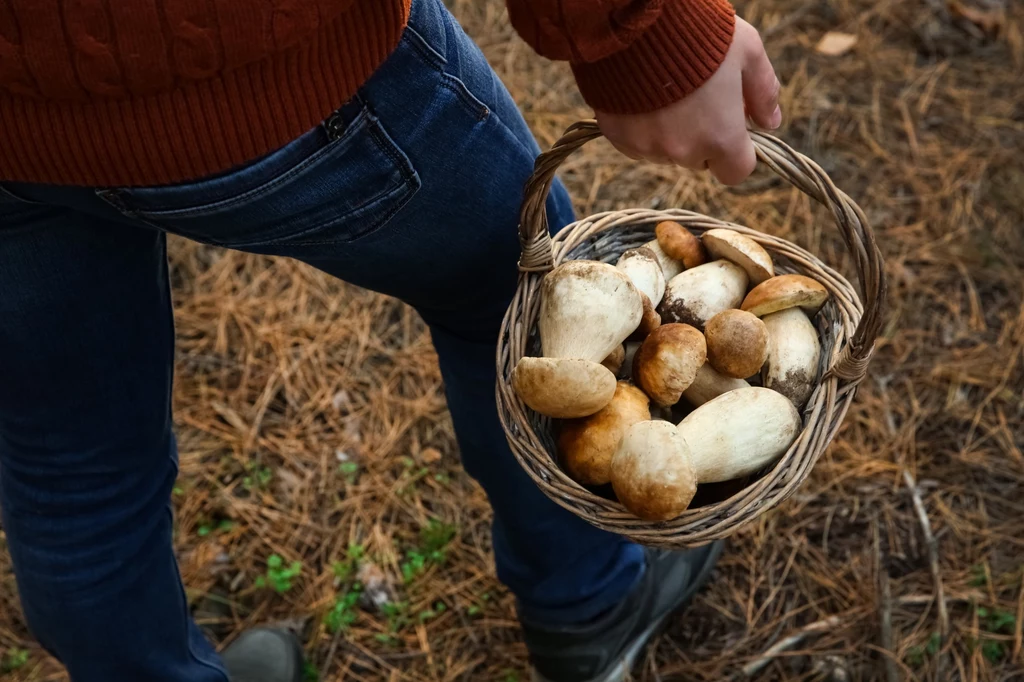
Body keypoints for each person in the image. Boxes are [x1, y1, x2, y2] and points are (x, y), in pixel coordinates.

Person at [0, 0, 780, 680]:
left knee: (71, 458)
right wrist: (643, 32)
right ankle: (590, 603)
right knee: (518, 304)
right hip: (266, 61)